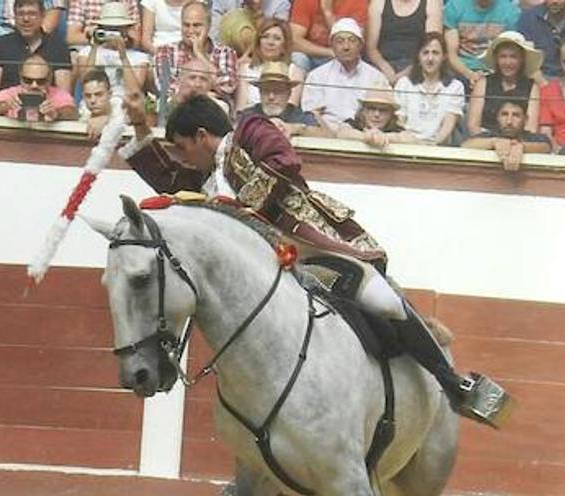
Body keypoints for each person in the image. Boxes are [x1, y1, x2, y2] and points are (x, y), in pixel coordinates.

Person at [117, 93, 513, 430]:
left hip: (310, 250)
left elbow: (283, 161)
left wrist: (232, 207)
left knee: (386, 302)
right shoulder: (203, 178)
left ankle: (452, 384)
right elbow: (170, 181)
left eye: (183, 148)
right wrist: (139, 127)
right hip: (265, 269)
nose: (184, 160)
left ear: (202, 136)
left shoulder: (251, 129)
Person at [301, 17, 387, 131]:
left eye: (352, 40)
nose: (346, 47)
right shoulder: (316, 76)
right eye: (340, 41)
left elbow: (383, 114)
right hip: (325, 134)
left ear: (360, 45)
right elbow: (312, 115)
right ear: (332, 46)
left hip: (363, 135)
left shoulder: (376, 77)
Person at [151, 1, 239, 109]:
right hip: (179, 106)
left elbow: (227, 86)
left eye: (196, 25)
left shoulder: (225, 53)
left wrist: (200, 54)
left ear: (209, 26)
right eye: (186, 25)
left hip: (214, 108)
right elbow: (166, 88)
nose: (190, 30)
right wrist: (206, 92)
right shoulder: (166, 51)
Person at [394, 31, 465, 144]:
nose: (430, 58)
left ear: (444, 57)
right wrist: (413, 143)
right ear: (418, 56)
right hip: (407, 145)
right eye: (425, 53)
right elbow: (399, 122)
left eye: (435, 53)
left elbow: (448, 124)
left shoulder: (455, 87)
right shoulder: (404, 84)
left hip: (439, 148)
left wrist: (431, 146)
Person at [466, 30, 539, 135]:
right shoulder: (483, 83)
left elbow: (531, 127)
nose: (508, 62)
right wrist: (494, 141)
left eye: (513, 57)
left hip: (520, 141)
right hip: (485, 140)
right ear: (496, 59)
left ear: (522, 59)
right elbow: (473, 126)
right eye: (503, 56)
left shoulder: (532, 86)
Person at [71, 1, 150, 97]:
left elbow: (134, 91)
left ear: (126, 30)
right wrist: (94, 46)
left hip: (124, 102)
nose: (112, 33)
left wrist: (123, 56)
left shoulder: (139, 57)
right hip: (96, 100)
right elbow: (86, 83)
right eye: (108, 28)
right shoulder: (86, 53)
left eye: (117, 28)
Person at [443, 0, 520, 86]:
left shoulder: (509, 10)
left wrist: (490, 76)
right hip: (462, 70)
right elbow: (451, 55)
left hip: (496, 70)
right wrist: (470, 75)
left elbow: (509, 53)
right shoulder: (455, 6)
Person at [237, 60, 324, 135]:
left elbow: (323, 135)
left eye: (278, 91)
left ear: (288, 94)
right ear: (260, 93)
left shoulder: (299, 116)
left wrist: (294, 128)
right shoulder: (248, 115)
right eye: (266, 91)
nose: (271, 97)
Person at [462, 96, 553, 168]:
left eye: (516, 115)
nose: (509, 121)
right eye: (504, 114)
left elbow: (546, 147)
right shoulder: (490, 136)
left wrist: (521, 147)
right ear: (497, 117)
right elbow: (466, 145)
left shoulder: (533, 138)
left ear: (525, 119)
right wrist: (494, 142)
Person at [365, 0, 441, 83]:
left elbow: (432, 46)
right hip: (382, 64)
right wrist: (385, 67)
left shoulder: (431, 3)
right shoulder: (378, 3)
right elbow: (371, 48)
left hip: (417, 65)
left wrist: (410, 71)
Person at [0, 51, 78, 119]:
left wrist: (56, 113)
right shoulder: (10, 94)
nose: (34, 85)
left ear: (49, 79)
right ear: (20, 78)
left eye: (41, 81)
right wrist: (5, 106)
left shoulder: (59, 95)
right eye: (28, 80)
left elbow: (73, 114)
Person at [235, 16, 303, 109]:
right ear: (258, 42)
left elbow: (291, 110)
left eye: (277, 38)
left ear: (285, 44)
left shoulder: (294, 72)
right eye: (265, 37)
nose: (270, 42)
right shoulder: (245, 69)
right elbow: (240, 109)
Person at [288, 0, 367, 69]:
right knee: (298, 58)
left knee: (349, 59)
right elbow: (294, 41)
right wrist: (331, 53)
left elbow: (354, 44)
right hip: (311, 55)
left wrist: (327, 12)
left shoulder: (358, 2)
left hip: (341, 59)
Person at [335, 84, 421, 145]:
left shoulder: (396, 129)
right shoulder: (352, 124)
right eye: (372, 108)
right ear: (363, 111)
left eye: (383, 110)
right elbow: (341, 133)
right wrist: (366, 136)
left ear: (391, 114)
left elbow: (411, 139)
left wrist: (385, 137)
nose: (377, 114)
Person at [81, 65, 117, 136]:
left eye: (98, 94)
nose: (92, 100)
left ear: (110, 94)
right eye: (88, 96)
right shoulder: (82, 113)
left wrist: (107, 119)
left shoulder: (121, 108)